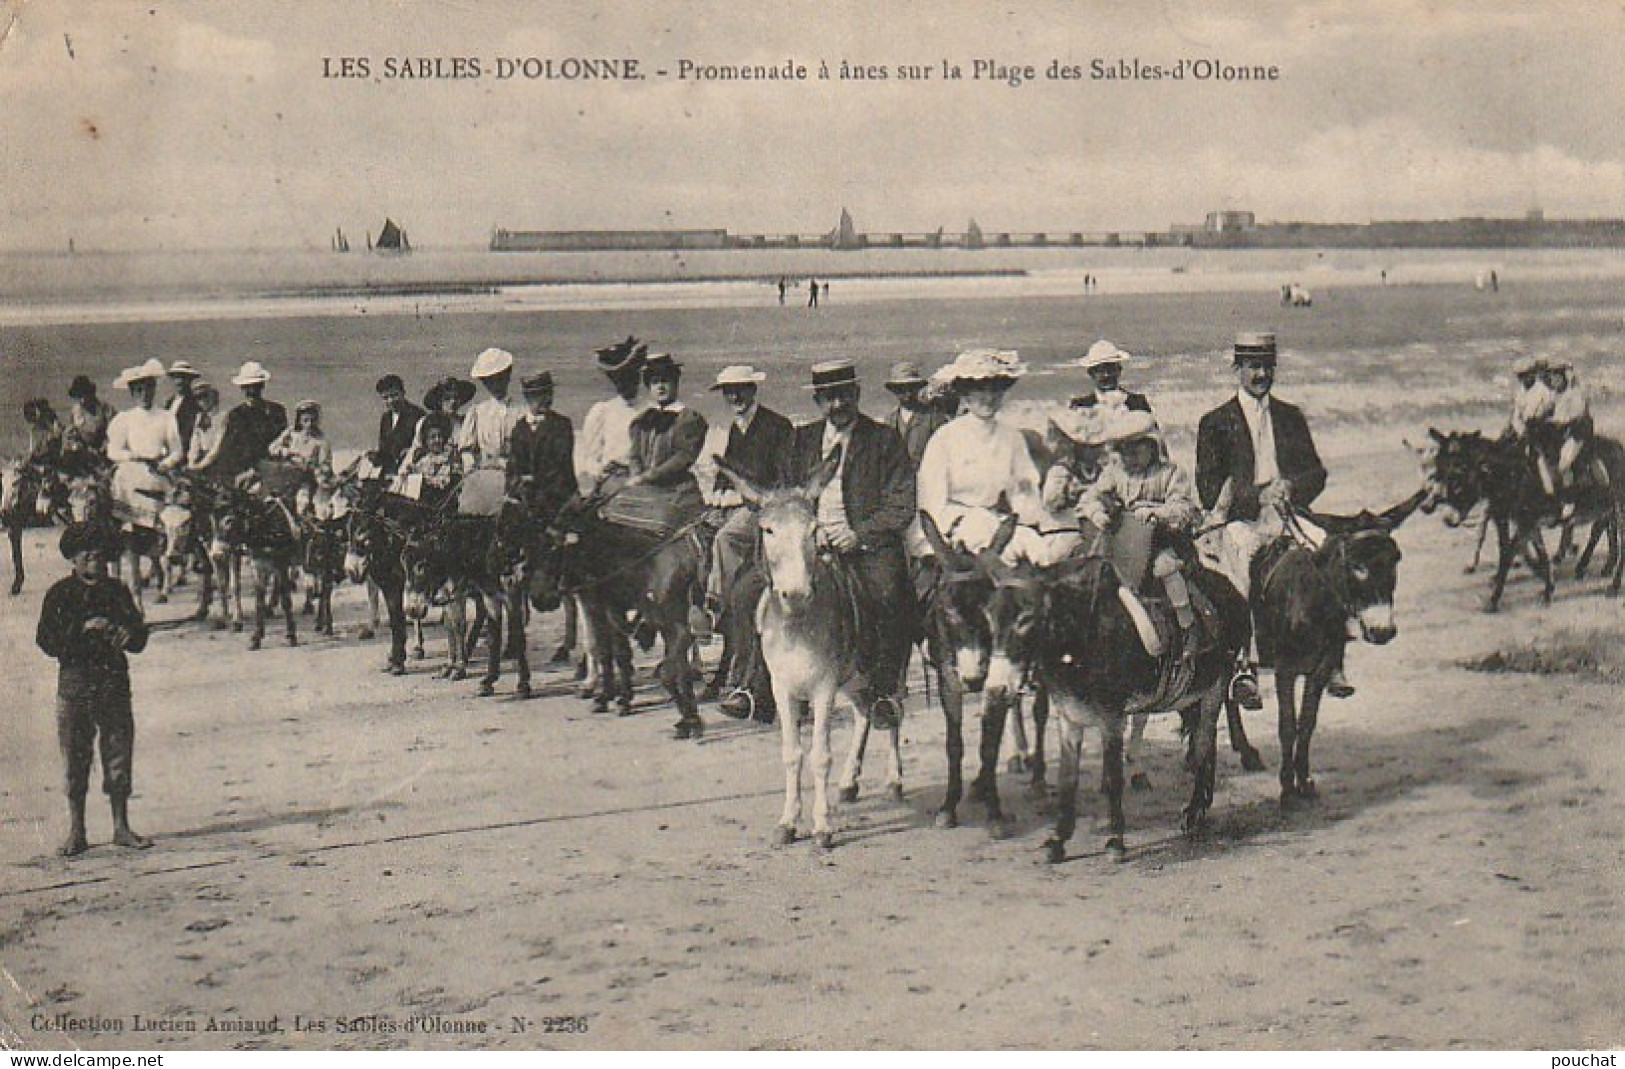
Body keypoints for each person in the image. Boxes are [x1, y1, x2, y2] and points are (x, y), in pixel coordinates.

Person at [1194, 332, 1337, 704]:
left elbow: (1317, 473)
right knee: (1239, 571)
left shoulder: (1290, 416)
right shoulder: (1215, 422)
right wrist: (1256, 495)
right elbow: (1208, 487)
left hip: (1288, 513)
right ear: (1237, 369)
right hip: (1242, 520)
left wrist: (1292, 486)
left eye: (1267, 367)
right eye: (1253, 367)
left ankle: (1331, 655)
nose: (1261, 374)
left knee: (1329, 551)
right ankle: (1243, 665)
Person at [787, 359, 916, 729]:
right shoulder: (802, 439)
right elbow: (789, 494)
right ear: (817, 401)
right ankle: (754, 686)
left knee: (890, 594)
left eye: (844, 395)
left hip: (867, 547)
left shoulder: (884, 440)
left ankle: (883, 692)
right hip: (811, 544)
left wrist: (858, 534)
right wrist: (809, 534)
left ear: (857, 395)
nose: (837, 405)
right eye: (828, 398)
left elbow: (900, 503)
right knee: (751, 588)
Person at [35, 522, 152, 857]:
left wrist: (126, 635)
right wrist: (82, 629)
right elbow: (45, 640)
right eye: (86, 555)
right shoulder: (59, 594)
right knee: (75, 758)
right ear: (73, 559)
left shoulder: (117, 591)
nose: (94, 561)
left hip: (113, 682)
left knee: (118, 753)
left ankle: (121, 826)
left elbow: (139, 637)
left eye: (100, 555)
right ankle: (77, 830)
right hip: (74, 686)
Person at [694, 365, 795, 721]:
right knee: (696, 536)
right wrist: (720, 497)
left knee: (726, 538)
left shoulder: (776, 427)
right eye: (728, 392)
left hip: (765, 510)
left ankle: (713, 604)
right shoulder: (732, 432)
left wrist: (740, 500)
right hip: (735, 506)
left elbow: (780, 480)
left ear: (753, 391)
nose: (734, 398)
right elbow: (724, 478)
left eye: (740, 391)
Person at [1078, 410, 1202, 662]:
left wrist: (1158, 512)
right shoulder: (1115, 473)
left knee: (1166, 569)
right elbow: (1090, 497)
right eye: (1123, 449)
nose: (1129, 456)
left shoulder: (1170, 473)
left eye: (1136, 448)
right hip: (1122, 541)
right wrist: (1097, 512)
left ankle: (1187, 626)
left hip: (1160, 540)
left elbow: (1183, 506)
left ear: (1152, 446)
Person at [915, 348, 1046, 559]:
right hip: (957, 524)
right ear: (965, 393)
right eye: (980, 390)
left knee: (1036, 550)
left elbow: (1024, 490)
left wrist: (1024, 520)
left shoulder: (1012, 438)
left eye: (996, 389)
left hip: (998, 522)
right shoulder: (945, 439)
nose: (989, 397)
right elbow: (931, 501)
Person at [623, 352, 708, 526]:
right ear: (649, 386)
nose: (660, 387)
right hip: (647, 490)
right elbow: (634, 454)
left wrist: (649, 476)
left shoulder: (689, 419)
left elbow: (684, 456)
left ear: (675, 384)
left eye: (665, 381)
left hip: (677, 492)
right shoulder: (641, 420)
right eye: (655, 382)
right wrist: (636, 474)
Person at [105, 360, 184, 533]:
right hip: (131, 472)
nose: (144, 394)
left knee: (164, 520)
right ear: (132, 393)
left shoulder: (166, 417)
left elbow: (177, 451)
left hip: (157, 472)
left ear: (154, 389)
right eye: (139, 390)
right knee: (129, 525)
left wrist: (165, 465)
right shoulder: (125, 418)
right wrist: (131, 456)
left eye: (148, 388)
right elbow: (113, 450)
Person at [576, 336, 647, 496]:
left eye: (630, 377)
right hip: (613, 481)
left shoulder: (650, 410)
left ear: (639, 377)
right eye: (619, 379)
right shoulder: (603, 411)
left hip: (643, 479)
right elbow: (591, 458)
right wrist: (599, 471)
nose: (625, 383)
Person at [193, 361, 287, 483]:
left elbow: (282, 441)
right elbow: (229, 448)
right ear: (242, 389)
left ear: (262, 386)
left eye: (256, 387)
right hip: (242, 470)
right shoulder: (236, 415)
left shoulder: (276, 411)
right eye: (247, 387)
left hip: (270, 469)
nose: (252, 391)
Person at [506, 371, 578, 523]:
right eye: (539, 395)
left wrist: (534, 480)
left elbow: (561, 465)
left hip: (556, 499)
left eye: (549, 393)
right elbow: (513, 466)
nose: (547, 399)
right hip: (525, 499)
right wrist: (515, 487)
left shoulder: (561, 425)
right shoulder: (519, 429)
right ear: (527, 397)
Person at [1534, 358, 1601, 518]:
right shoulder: (1554, 395)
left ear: (1564, 376)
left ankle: (1570, 501)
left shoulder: (1575, 393)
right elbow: (1543, 411)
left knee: (1564, 464)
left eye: (1557, 376)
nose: (1553, 380)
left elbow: (1577, 415)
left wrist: (1558, 422)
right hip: (1558, 435)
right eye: (1551, 376)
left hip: (1575, 434)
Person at [458, 348, 524, 473]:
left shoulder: (520, 412)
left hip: (514, 474)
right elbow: (466, 449)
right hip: (485, 475)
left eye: (500, 378)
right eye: (489, 381)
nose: (495, 385)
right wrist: (470, 464)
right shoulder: (477, 412)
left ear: (508, 376)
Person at [882, 361, 953, 470]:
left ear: (918, 387)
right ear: (894, 390)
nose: (907, 393)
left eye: (911, 387)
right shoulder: (889, 420)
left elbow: (945, 453)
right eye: (901, 389)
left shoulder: (933, 417)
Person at [268, 400, 334, 515]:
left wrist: (314, 467)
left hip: (305, 479)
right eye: (305, 420)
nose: (309, 424)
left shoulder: (321, 441)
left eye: (312, 421)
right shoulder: (291, 433)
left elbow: (325, 465)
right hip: (285, 476)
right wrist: (287, 452)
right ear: (300, 420)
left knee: (302, 503)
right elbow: (272, 448)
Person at [405, 375, 476, 470]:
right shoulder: (426, 422)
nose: (453, 402)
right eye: (447, 398)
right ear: (439, 401)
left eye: (456, 398)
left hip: (460, 469)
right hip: (430, 470)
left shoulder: (466, 424)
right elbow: (416, 449)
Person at [1069, 339, 1154, 415]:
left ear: (1119, 370)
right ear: (1091, 373)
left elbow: (1153, 431)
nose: (1106, 375)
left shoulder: (1138, 403)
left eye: (1110, 369)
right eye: (1100, 371)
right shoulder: (1080, 406)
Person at [373, 374, 424, 477]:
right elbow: (383, 448)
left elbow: (423, 447)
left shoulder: (417, 415)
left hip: (409, 472)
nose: (391, 401)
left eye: (394, 395)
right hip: (388, 472)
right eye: (386, 398)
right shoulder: (386, 418)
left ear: (403, 393)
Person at [64, 375, 113, 465]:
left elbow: (115, 431)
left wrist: (104, 447)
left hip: (104, 452)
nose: (82, 400)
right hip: (85, 453)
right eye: (79, 396)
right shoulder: (76, 411)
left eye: (84, 395)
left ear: (90, 393)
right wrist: (77, 444)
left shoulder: (105, 409)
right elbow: (71, 433)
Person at [166, 360, 204, 457]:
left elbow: (192, 433)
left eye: (183, 378)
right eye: (177, 377)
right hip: (168, 452)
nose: (180, 381)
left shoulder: (194, 403)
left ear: (190, 380)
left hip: (185, 453)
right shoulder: (169, 402)